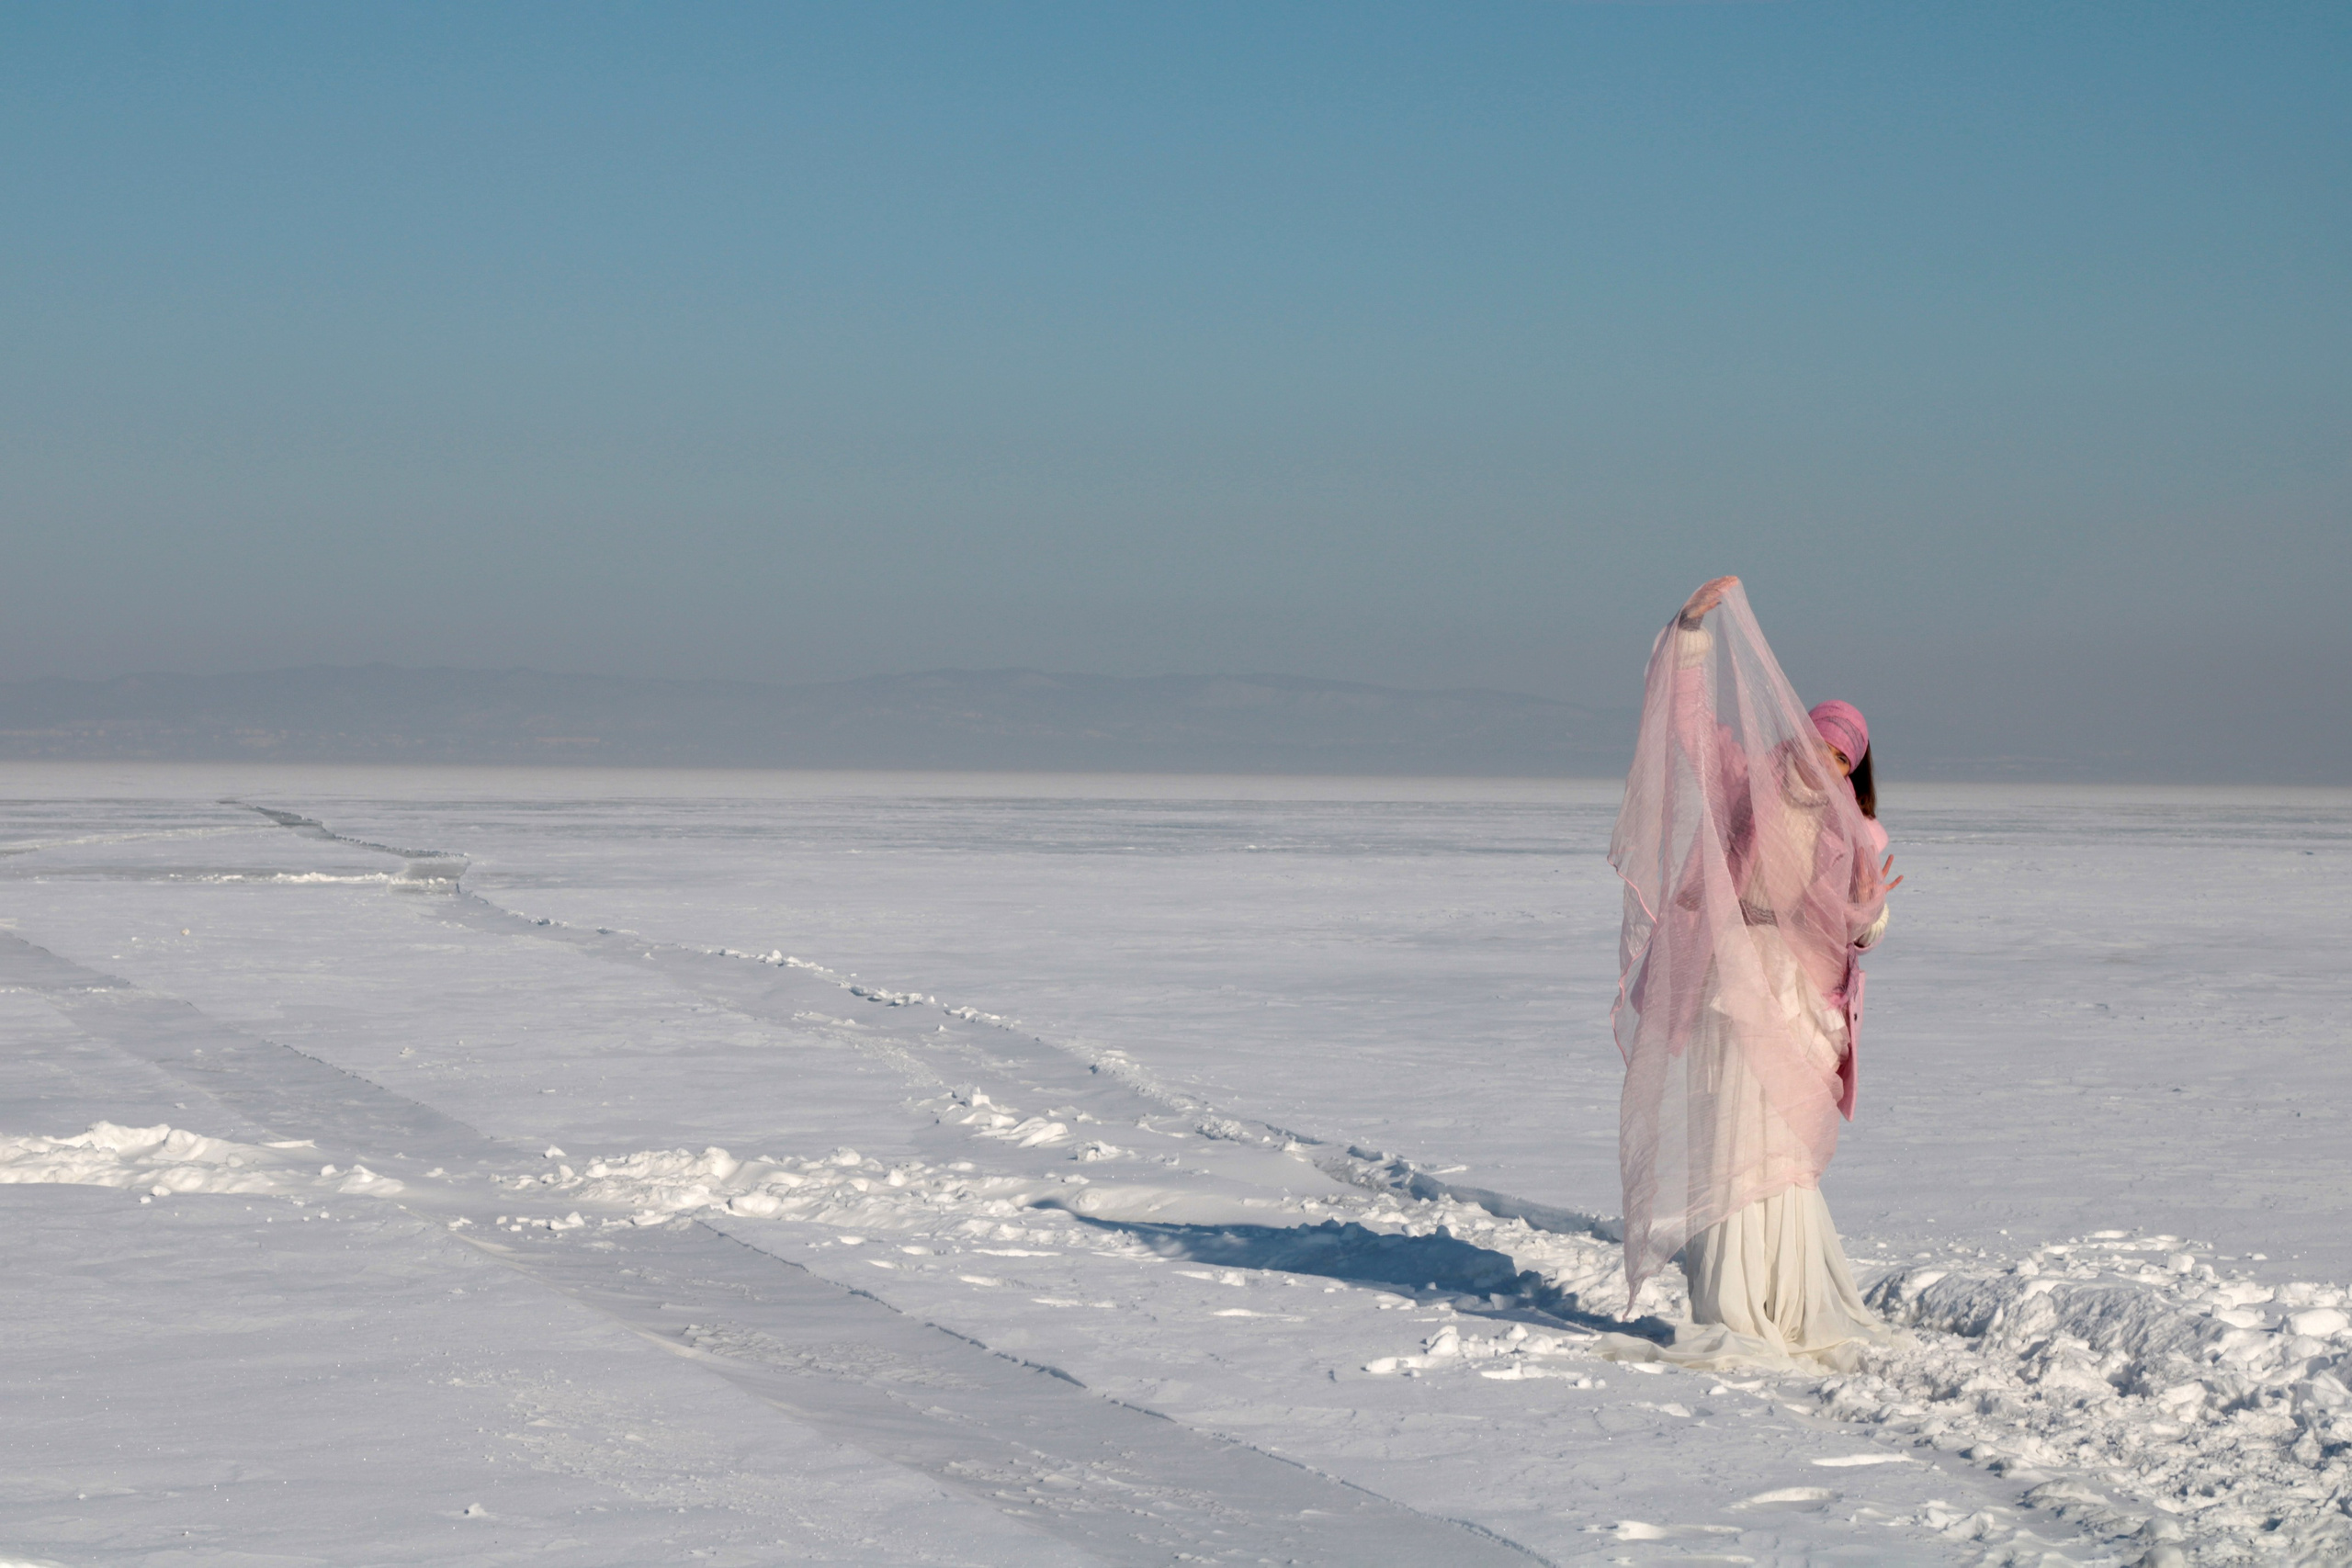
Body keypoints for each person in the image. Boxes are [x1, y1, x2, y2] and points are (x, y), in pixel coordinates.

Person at [1601, 575, 1902, 1371]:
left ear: (1853, 768)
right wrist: (1693, 634)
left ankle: (1791, 1294)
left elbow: (1867, 933)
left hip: (1800, 1002)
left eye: (1841, 757)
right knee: (1728, 1131)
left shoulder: (1863, 835)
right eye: (1818, 745)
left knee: (1782, 1147)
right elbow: (1693, 725)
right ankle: (1732, 1298)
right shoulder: (1746, 784)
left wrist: (1866, 910)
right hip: (1732, 982)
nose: (1825, 763)